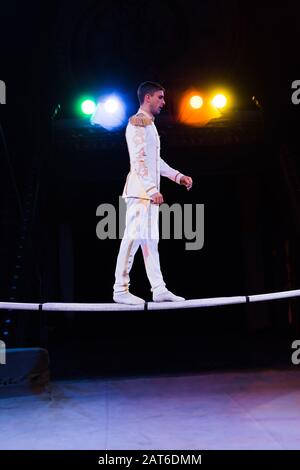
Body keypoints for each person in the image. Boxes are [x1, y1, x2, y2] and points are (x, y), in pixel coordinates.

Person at [113, 81, 193, 305]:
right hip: (140, 192)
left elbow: (153, 161)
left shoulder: (149, 124)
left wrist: (177, 176)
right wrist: (151, 189)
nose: (163, 102)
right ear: (147, 98)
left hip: (146, 193)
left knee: (150, 242)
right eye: (160, 97)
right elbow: (138, 160)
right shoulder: (138, 122)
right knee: (132, 239)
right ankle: (120, 288)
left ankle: (158, 289)